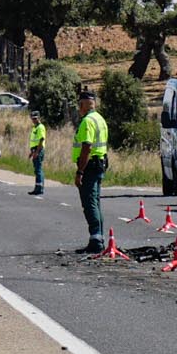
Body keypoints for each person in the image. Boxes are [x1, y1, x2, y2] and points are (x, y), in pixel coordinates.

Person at [72, 88, 109, 253]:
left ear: (83, 105)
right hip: (99, 163)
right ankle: (98, 237)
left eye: (79, 105)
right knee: (96, 202)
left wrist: (80, 171)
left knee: (89, 203)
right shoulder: (100, 118)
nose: (78, 108)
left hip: (90, 166)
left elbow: (86, 147)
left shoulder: (87, 121)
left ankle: (96, 241)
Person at [28, 110, 48, 196]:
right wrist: (31, 152)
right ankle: (38, 187)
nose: (34, 120)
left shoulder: (40, 127)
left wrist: (36, 152)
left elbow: (41, 140)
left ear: (39, 118)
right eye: (32, 118)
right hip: (34, 150)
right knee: (37, 169)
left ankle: (39, 188)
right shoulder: (34, 128)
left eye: (35, 118)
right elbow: (33, 141)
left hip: (38, 150)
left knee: (38, 169)